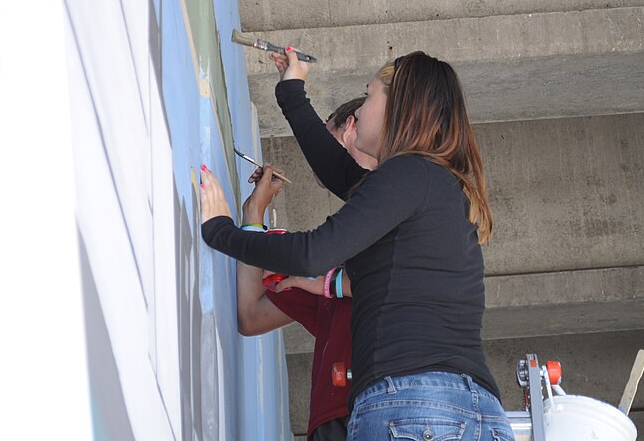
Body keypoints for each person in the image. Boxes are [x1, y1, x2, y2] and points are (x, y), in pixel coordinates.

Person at [201, 49, 514, 441]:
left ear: (397, 107)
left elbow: (313, 253)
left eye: (369, 96)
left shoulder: (410, 174)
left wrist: (219, 231)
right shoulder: (438, 186)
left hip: (414, 406)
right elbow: (341, 173)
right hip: (477, 414)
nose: (362, 110)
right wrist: (292, 91)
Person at [234, 96, 376, 441]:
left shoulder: (400, 228)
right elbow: (251, 316)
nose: (317, 161)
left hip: (367, 412)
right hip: (333, 422)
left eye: (322, 140)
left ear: (351, 129)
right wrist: (254, 217)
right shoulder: (329, 260)